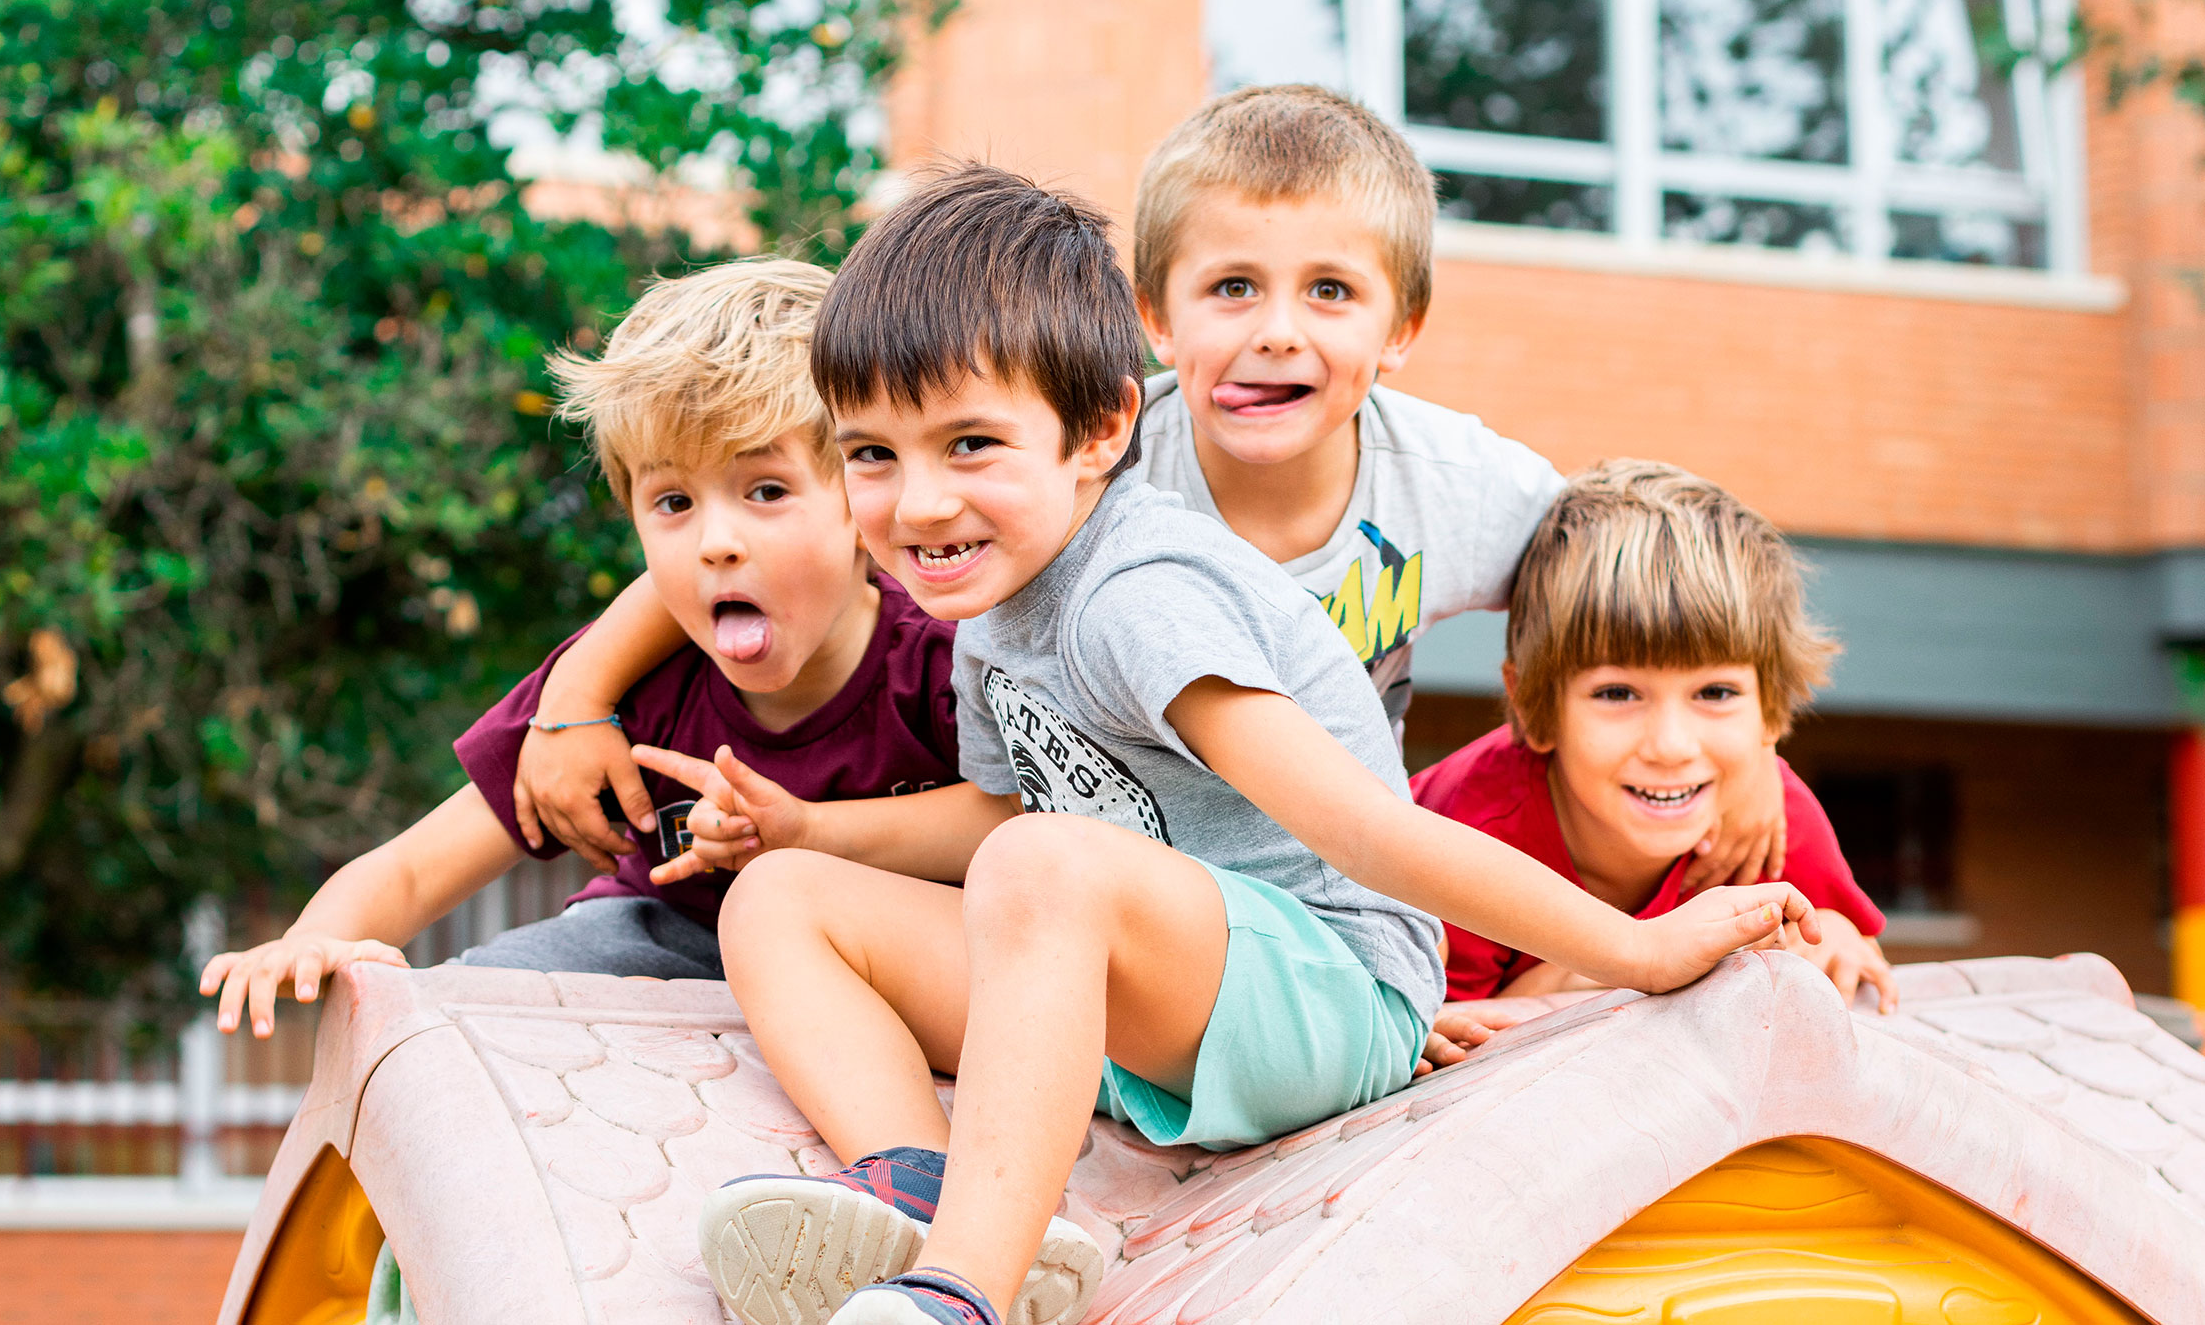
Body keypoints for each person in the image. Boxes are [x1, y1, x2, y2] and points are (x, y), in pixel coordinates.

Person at [671, 165, 1819, 1325]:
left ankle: (961, 1293)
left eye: (969, 445)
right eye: (873, 455)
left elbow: (1368, 831)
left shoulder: (1136, 592)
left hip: (1330, 988)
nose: (917, 505)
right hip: (1135, 989)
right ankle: (926, 1192)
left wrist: (1637, 952)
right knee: (779, 900)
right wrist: (814, 829)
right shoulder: (987, 591)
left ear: (1103, 430)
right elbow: (1005, 812)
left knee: (1043, 867)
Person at [508, 84, 1792, 897]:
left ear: (1403, 326)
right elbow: (819, 513)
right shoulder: (1101, 470)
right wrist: (575, 696)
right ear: (1151, 324)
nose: (1276, 333)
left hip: (1312, 873)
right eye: (1232, 288)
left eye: (1329, 292)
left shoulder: (1463, 488)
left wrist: (1743, 775)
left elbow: (1660, 613)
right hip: (1133, 870)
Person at [196, 257, 964, 1036]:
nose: (716, 543)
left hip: (883, 962)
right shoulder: (632, 678)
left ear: (860, 500)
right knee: (459, 1015)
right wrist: (311, 942)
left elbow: (1018, 821)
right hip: (658, 945)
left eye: (766, 491)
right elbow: (416, 864)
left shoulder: (943, 662)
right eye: (673, 502)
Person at [1414, 461, 1897, 1069]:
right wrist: (1577, 976)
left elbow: (1851, 948)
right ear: (1533, 709)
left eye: (1715, 693)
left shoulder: (1771, 817)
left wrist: (1838, 941)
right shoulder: (1470, 835)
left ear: (1771, 712)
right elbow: (1429, 1046)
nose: (1671, 746)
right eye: (1618, 693)